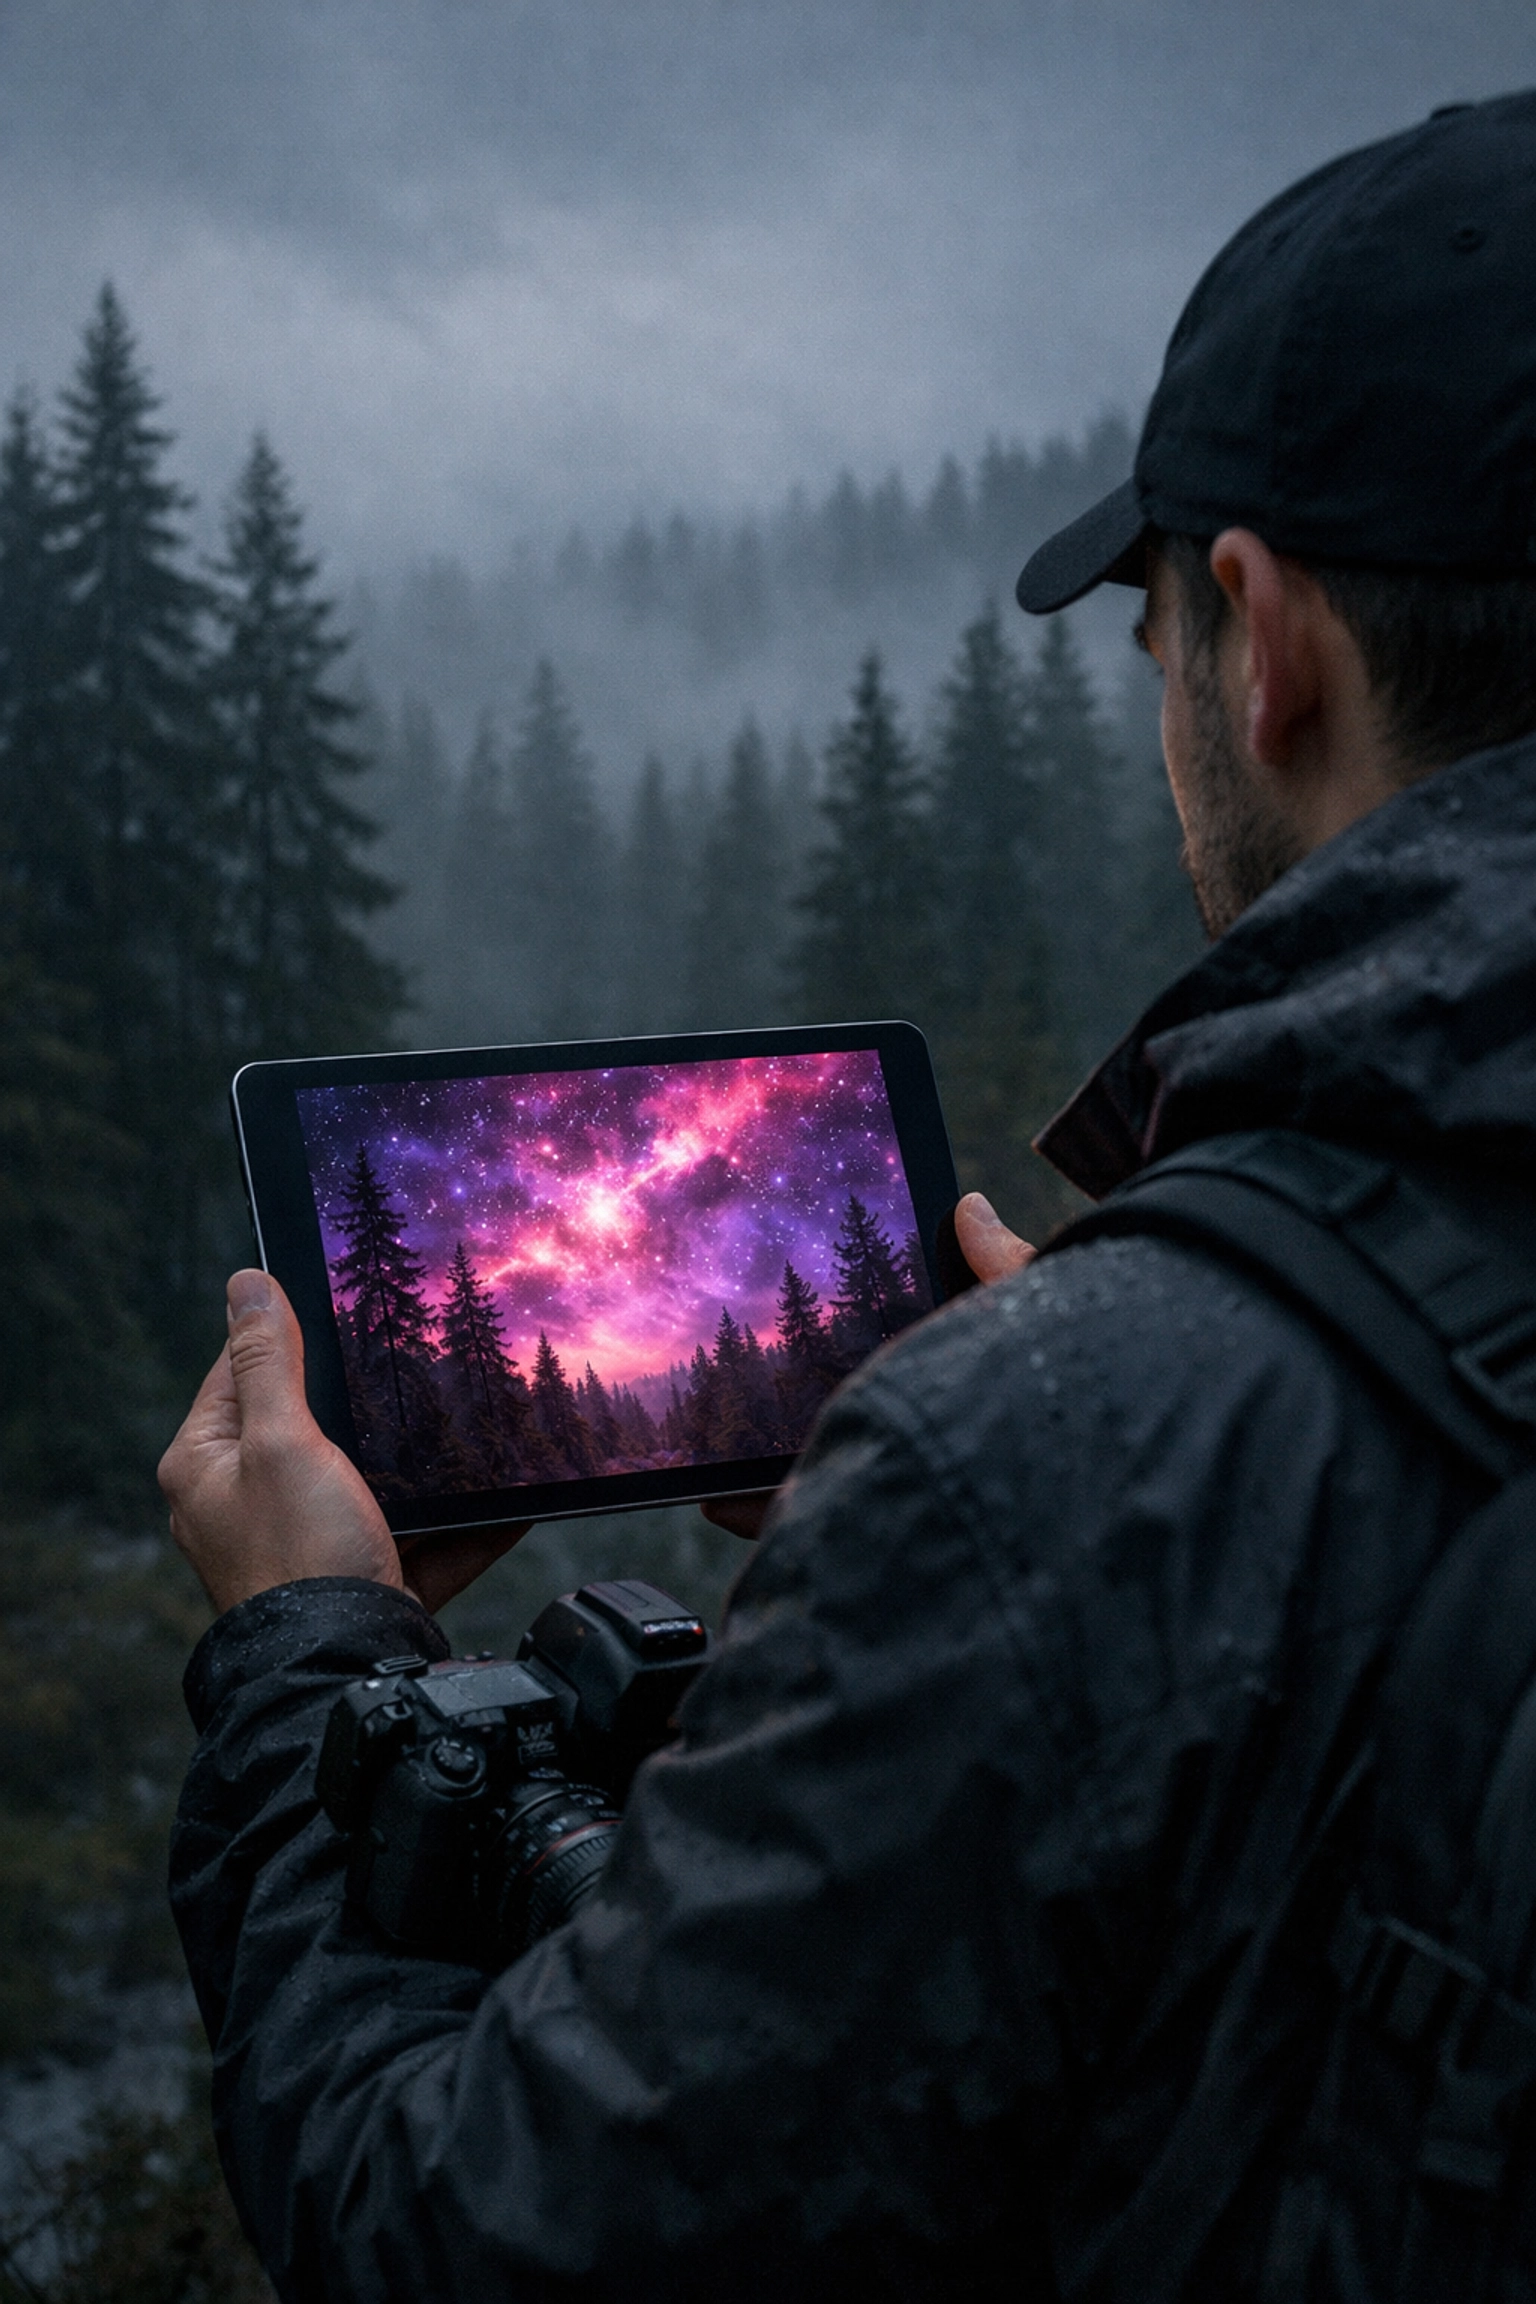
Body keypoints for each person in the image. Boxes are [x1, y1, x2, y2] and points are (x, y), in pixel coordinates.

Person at [164, 92, 1536, 2300]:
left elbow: (483, 2245)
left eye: (1158, 634)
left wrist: (302, 1662)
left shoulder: (1077, 1467)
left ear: (1264, 644)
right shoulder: (1099, 1449)